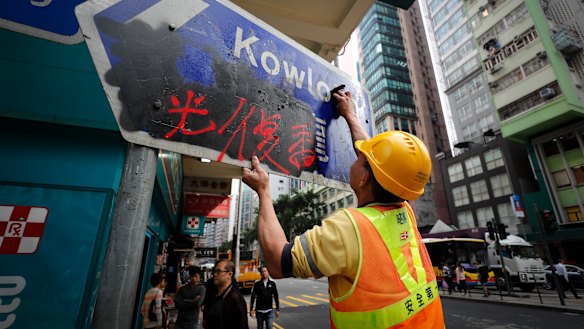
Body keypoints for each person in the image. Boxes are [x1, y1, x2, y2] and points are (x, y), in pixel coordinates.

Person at [242, 89, 445, 328]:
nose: (356, 157)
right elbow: (376, 162)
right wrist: (350, 115)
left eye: (360, 158)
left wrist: (264, 192)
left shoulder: (350, 228)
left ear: (364, 178)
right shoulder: (404, 210)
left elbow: (277, 261)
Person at [204, 260, 249, 329]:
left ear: (229, 274)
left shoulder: (235, 298)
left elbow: (242, 325)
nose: (215, 274)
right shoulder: (214, 294)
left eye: (218, 271)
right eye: (214, 271)